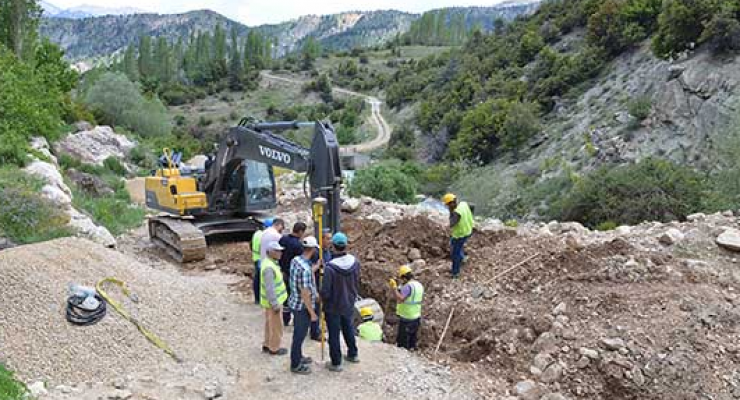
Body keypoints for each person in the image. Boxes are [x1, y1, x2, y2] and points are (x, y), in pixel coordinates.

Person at [320, 232, 360, 372]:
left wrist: (322, 299)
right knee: (348, 327)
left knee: (334, 334)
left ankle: (336, 362)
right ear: (346, 246)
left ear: (333, 246)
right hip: (348, 302)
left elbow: (325, 290)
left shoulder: (330, 268)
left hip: (333, 305)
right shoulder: (355, 263)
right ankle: (353, 353)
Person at [287, 236, 321, 374]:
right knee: (299, 335)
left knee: (298, 334)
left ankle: (299, 356)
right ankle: (295, 364)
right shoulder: (305, 269)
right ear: (313, 249)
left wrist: (316, 267)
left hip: (294, 302)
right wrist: (312, 313)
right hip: (302, 307)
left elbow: (303, 276)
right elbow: (305, 293)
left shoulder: (296, 261)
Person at [260, 241, 289, 356]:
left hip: (269, 302)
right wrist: (275, 304)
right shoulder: (269, 267)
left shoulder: (269, 263)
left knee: (269, 324)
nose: (280, 253)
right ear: (271, 252)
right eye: (278, 251)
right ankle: (274, 348)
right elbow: (270, 288)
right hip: (274, 303)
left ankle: (267, 344)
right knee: (277, 326)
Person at [389, 265, 424, 350]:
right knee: (412, 337)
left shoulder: (408, 287)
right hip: (416, 315)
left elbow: (401, 299)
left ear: (404, 278)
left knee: (403, 341)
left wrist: (394, 288)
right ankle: (412, 350)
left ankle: (403, 353)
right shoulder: (418, 285)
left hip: (406, 316)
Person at [279, 222, 307, 325]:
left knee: (286, 296)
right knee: (296, 296)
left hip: (283, 272)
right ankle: (296, 319)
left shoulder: (283, 239)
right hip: (293, 274)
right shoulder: (298, 245)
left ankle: (285, 319)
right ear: (300, 232)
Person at [442, 193, 474, 279]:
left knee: (455, 254)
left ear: (452, 203)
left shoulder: (456, 213)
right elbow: (472, 206)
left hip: (460, 235)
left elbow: (451, 224)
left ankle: (455, 273)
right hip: (468, 230)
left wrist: (451, 212)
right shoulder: (463, 204)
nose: (448, 207)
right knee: (455, 244)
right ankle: (463, 258)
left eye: (448, 205)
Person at [310, 229, 334, 341]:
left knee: (321, 309)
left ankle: (319, 327)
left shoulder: (327, 252)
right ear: (321, 239)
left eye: (331, 238)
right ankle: (315, 332)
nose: (330, 241)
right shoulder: (316, 253)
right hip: (317, 284)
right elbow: (309, 271)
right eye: (328, 238)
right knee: (316, 309)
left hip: (325, 284)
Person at [251, 219, 273, 304]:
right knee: (263, 280)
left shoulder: (257, 234)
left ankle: (257, 299)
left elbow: (251, 245)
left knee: (257, 279)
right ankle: (262, 299)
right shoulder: (265, 235)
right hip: (261, 259)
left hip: (256, 258)